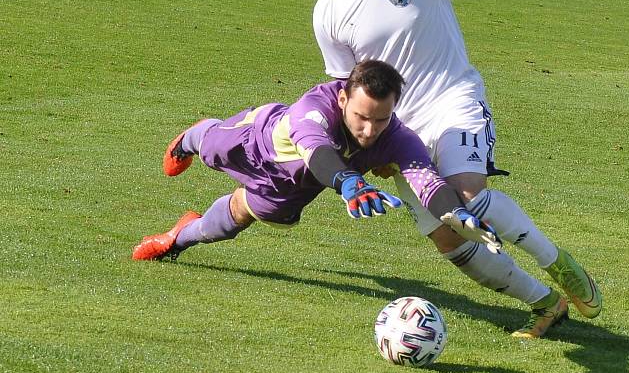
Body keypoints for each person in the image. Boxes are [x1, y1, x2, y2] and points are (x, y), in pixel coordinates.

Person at [314, 0, 620, 337]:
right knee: (447, 236)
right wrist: (369, 145)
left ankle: (559, 264)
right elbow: (350, 93)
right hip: (399, 132)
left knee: (467, 196)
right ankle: (546, 304)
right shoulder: (328, 13)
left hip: (454, 100)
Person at [133, 61, 501, 263]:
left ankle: (176, 239)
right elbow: (316, 150)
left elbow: (427, 182)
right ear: (343, 100)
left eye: (381, 119)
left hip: (294, 185)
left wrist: (457, 213)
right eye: (361, 116)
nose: (370, 129)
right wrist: (349, 183)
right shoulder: (315, 106)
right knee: (210, 145)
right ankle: (191, 136)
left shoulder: (399, 137)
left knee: (231, 224)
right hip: (256, 141)